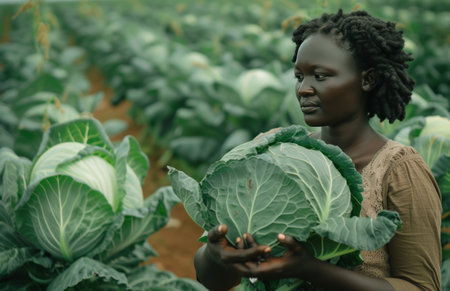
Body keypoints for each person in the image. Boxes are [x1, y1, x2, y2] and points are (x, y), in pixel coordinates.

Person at [193, 9, 442, 291]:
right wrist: (216, 256)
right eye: (299, 76)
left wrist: (312, 269)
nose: (303, 89)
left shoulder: (399, 170)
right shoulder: (274, 149)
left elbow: (422, 287)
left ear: (367, 79)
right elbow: (210, 279)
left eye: (320, 76)